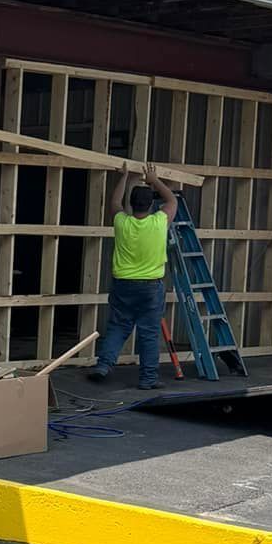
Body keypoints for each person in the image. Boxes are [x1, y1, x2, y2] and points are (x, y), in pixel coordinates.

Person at [87, 162, 177, 389]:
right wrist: (154, 179)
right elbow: (172, 201)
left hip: (123, 285)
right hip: (150, 287)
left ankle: (103, 365)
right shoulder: (159, 222)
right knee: (149, 333)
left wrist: (125, 177)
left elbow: (115, 203)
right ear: (151, 205)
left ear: (132, 204)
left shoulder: (122, 223)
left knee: (118, 326)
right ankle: (147, 379)